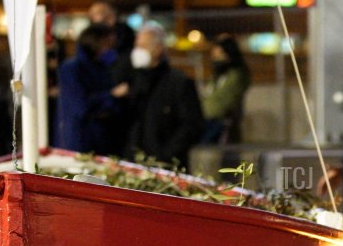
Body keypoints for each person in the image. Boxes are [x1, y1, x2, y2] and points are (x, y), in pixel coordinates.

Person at [120, 21, 204, 166]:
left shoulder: (179, 83)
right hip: (133, 164)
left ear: (158, 49)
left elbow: (192, 125)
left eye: (143, 47)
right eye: (136, 46)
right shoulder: (133, 81)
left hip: (166, 167)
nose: (137, 51)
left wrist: (165, 156)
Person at [57, 23, 121, 155]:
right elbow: (80, 106)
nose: (111, 49)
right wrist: (111, 95)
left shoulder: (103, 68)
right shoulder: (72, 69)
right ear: (96, 43)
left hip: (101, 142)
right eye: (108, 44)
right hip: (79, 142)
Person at [200, 34, 250, 144]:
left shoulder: (236, 76)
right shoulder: (217, 76)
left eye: (220, 55)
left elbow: (221, 103)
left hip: (220, 124)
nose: (216, 60)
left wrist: (201, 113)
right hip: (209, 121)